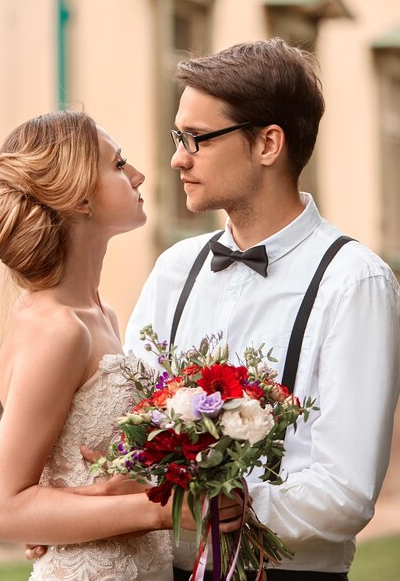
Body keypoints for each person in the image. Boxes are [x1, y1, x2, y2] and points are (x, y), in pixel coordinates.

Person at [122, 39, 400, 580]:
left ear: (268, 143)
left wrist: (234, 502)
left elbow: (346, 491)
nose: (178, 157)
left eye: (197, 139)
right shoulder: (175, 268)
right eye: (178, 137)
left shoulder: (354, 280)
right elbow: (128, 427)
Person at [0, 110, 239, 581]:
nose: (139, 174)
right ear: (79, 198)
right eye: (119, 165)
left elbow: (71, 479)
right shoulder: (57, 329)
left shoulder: (102, 316)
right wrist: (161, 509)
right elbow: (1, 511)